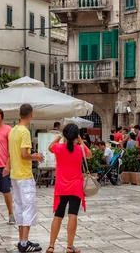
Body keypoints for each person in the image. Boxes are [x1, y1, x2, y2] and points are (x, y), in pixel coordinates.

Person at [46, 124, 91, 253]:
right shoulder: (80, 149)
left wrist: (60, 136)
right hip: (76, 186)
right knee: (73, 215)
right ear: (76, 135)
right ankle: (70, 246)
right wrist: (81, 141)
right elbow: (89, 155)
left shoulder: (58, 148)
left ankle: (51, 245)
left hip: (61, 186)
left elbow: (50, 147)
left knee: (58, 215)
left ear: (65, 135)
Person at [9, 104, 45, 252]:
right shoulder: (24, 132)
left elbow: (13, 153)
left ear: (19, 113)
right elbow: (24, 155)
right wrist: (36, 156)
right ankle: (24, 243)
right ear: (31, 115)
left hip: (15, 174)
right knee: (28, 208)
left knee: (19, 207)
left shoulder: (12, 131)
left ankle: (22, 240)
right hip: (24, 174)